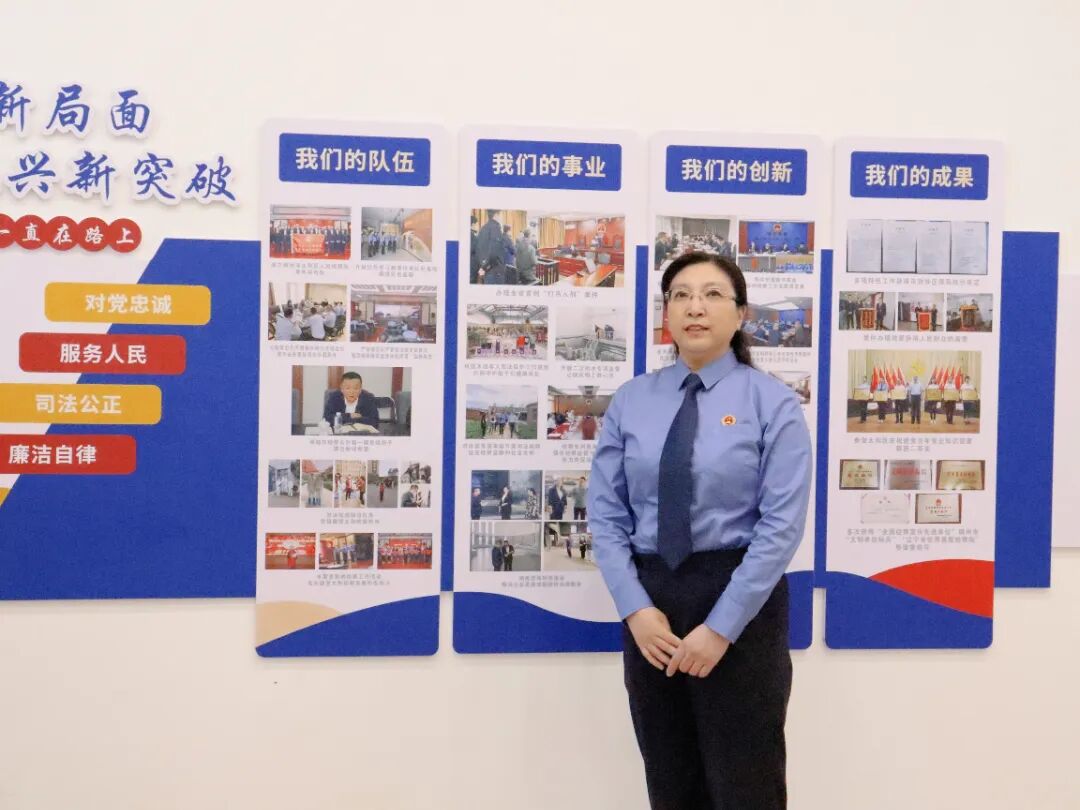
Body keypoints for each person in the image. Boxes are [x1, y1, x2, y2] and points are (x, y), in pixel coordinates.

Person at [588, 251, 812, 809]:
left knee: (746, 785)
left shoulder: (772, 402)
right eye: (681, 295)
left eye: (713, 294)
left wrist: (721, 628)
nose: (695, 307)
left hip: (740, 598)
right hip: (653, 606)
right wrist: (635, 610)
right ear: (666, 313)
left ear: (740, 314)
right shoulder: (632, 400)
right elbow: (606, 515)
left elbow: (781, 526)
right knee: (670, 780)